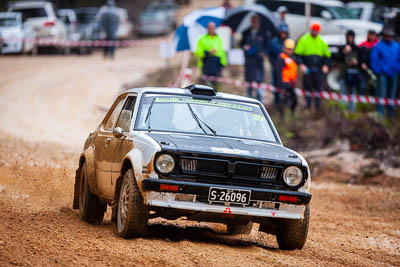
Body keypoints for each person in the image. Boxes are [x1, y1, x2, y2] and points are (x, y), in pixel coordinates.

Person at [294, 22, 331, 110]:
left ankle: (318, 108)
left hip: (318, 69)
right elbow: (298, 55)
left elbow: (328, 56)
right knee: (307, 88)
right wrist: (301, 65)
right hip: (308, 69)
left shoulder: (322, 41)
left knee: (318, 88)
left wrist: (325, 65)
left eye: (316, 31)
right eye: (314, 30)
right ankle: (308, 106)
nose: (315, 32)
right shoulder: (304, 39)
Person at [370, 26, 400, 118]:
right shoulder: (378, 46)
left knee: (391, 95)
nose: (388, 37)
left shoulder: (396, 46)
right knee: (381, 94)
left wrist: (397, 69)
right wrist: (379, 71)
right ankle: (380, 114)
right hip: (383, 74)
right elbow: (374, 60)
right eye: (387, 35)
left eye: (390, 36)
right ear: (384, 36)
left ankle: (390, 115)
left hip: (393, 73)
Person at [240, 15, 269, 102]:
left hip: (258, 62)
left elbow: (267, 46)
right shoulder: (246, 32)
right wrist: (244, 47)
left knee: (259, 81)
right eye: (253, 21)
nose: (254, 23)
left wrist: (263, 53)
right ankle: (248, 100)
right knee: (249, 82)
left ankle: (260, 100)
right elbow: (241, 44)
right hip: (249, 61)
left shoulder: (263, 33)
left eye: (255, 21)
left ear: (258, 22)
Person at [195, 22, 227, 89]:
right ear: (207, 28)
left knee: (216, 87)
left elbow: (221, 52)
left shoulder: (218, 38)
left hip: (217, 66)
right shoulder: (202, 39)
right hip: (206, 65)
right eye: (210, 27)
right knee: (205, 87)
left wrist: (223, 63)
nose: (211, 29)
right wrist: (209, 52)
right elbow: (198, 52)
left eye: (213, 27)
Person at [338, 30, 362, 111]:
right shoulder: (342, 48)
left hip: (354, 74)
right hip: (344, 74)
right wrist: (344, 52)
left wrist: (356, 62)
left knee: (352, 93)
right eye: (349, 37)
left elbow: (361, 62)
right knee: (343, 92)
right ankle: (343, 110)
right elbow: (337, 59)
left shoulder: (357, 49)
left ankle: (351, 110)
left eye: (352, 38)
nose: (350, 39)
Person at [275, 38, 297, 118]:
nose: (290, 51)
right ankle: (282, 118)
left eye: (291, 49)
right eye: (288, 49)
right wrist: (281, 86)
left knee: (294, 101)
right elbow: (278, 72)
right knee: (283, 102)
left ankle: (291, 116)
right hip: (284, 84)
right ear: (284, 48)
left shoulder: (292, 58)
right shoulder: (281, 58)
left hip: (291, 84)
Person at [269, 24, 289, 108]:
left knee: (286, 87)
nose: (283, 34)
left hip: (286, 69)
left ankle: (286, 104)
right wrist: (274, 64)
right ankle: (277, 103)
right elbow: (270, 54)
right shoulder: (274, 42)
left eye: (285, 33)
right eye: (282, 33)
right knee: (276, 85)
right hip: (276, 68)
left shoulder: (288, 42)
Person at [358, 30, 378, 95]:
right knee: (362, 86)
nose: (372, 37)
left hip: (375, 70)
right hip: (364, 69)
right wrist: (361, 63)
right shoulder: (363, 45)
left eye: (373, 35)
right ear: (368, 35)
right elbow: (358, 56)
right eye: (370, 35)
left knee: (374, 87)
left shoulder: (378, 45)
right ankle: (361, 102)